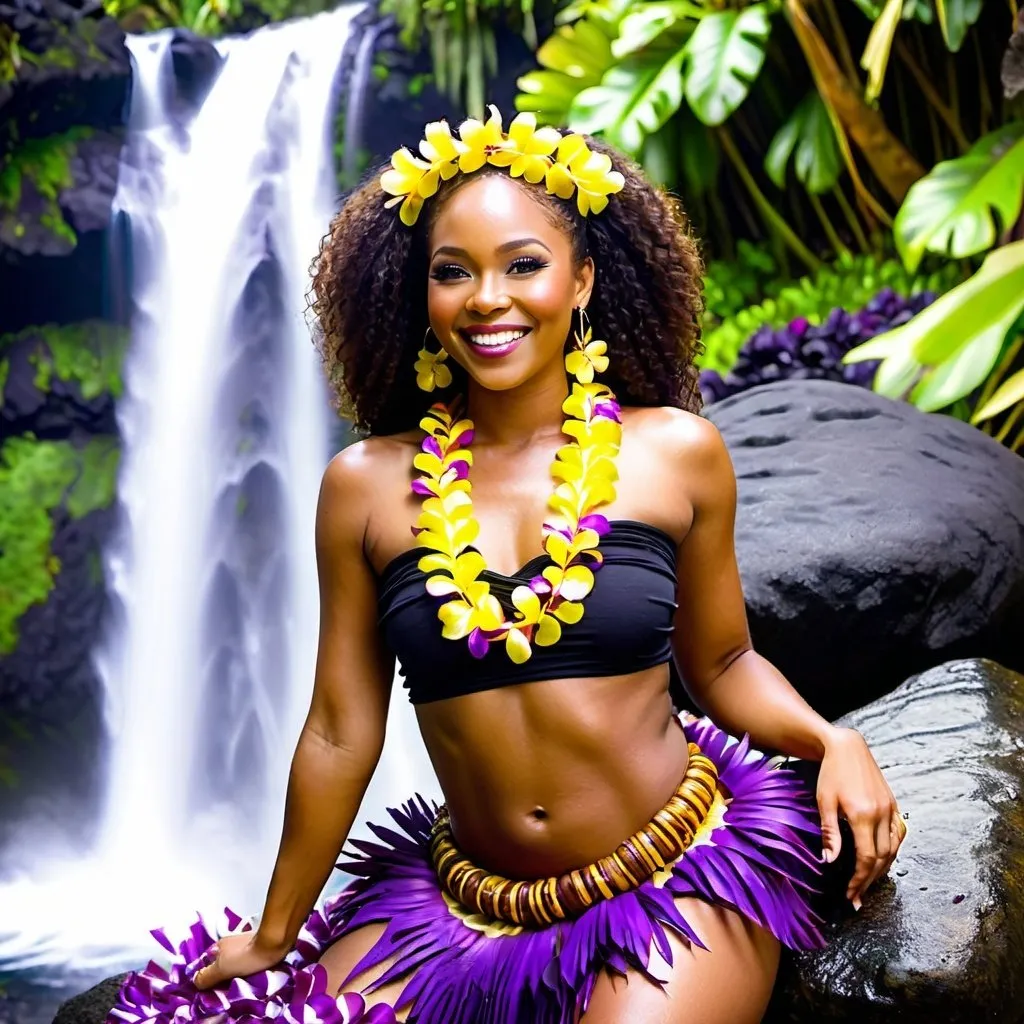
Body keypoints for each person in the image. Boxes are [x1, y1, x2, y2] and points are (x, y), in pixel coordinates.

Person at [109, 107, 905, 1024]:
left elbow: (722, 664)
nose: (488, 298)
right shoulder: (365, 488)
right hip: (461, 905)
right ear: (424, 298)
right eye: (454, 273)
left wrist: (830, 740)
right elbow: (338, 728)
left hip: (676, 867)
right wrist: (276, 929)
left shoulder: (674, 455)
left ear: (582, 281)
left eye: (523, 264)